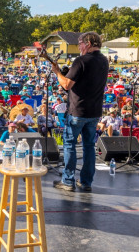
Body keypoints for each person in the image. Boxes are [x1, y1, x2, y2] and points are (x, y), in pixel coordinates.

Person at [51, 32, 108, 192]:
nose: (79, 46)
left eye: (80, 43)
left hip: (77, 111)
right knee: (89, 146)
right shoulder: (104, 60)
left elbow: (66, 85)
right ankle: (86, 182)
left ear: (88, 43)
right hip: (94, 111)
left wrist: (57, 73)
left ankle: (68, 181)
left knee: (69, 144)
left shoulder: (81, 60)